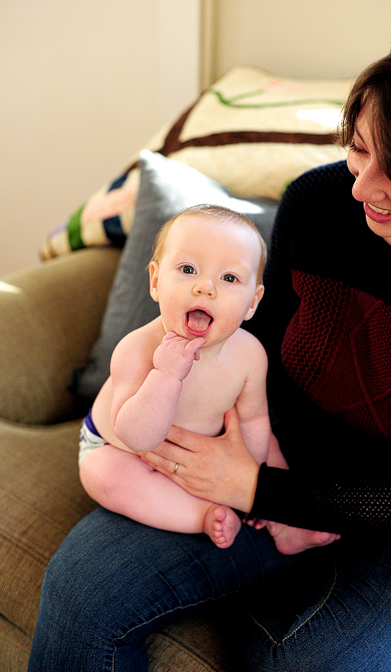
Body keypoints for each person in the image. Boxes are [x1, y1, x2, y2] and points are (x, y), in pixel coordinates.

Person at [29, 24, 391, 672]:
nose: (360, 187)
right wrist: (235, 463)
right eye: (358, 148)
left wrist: (262, 492)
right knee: (83, 589)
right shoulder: (317, 204)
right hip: (259, 471)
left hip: (386, 525)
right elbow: (247, 364)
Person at [79, 204, 335, 551]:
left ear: (252, 303)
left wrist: (252, 481)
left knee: (270, 444)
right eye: (188, 269)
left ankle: (284, 521)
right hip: (123, 450)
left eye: (229, 278)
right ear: (156, 281)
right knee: (104, 476)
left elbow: (254, 418)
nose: (205, 288)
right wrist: (166, 375)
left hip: (216, 448)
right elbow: (137, 438)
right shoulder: (136, 349)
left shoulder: (250, 356)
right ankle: (202, 514)